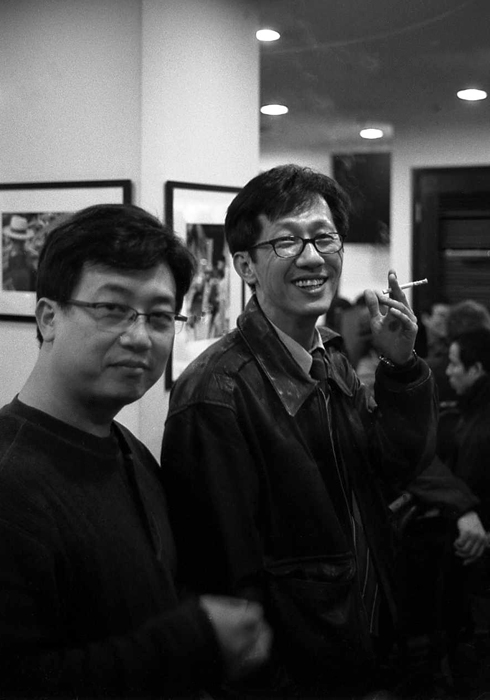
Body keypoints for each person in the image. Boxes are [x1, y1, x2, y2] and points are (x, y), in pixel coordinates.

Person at [161, 164, 439, 698]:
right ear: (244, 264)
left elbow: (393, 468)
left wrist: (401, 366)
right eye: (287, 241)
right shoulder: (217, 394)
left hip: (361, 642)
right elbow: (225, 584)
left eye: (324, 238)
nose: (312, 257)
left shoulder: (329, 355)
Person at [0, 203, 271, 699]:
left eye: (160, 316)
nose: (140, 337)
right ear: (48, 317)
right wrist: (193, 641)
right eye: (112, 308)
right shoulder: (12, 480)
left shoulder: (130, 451)